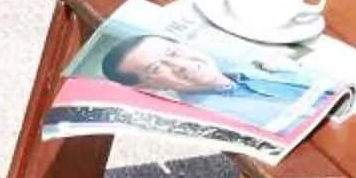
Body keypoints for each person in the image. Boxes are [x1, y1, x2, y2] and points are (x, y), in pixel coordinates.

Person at [98, 30, 306, 117]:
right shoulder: (215, 114)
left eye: (174, 52)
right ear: (146, 87)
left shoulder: (259, 65)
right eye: (157, 68)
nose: (180, 65)